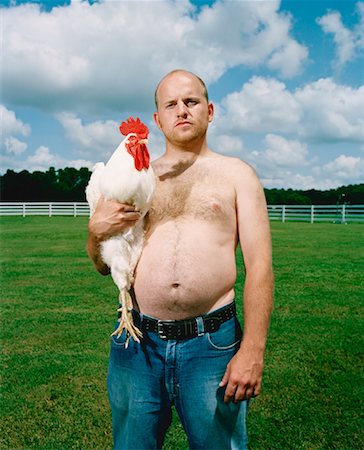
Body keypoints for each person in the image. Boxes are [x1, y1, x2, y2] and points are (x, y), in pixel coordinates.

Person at [86, 69, 274, 450]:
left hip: (212, 346)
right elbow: (104, 264)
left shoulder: (237, 175)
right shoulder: (139, 178)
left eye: (191, 101)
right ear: (157, 120)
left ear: (210, 110)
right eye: (171, 104)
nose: (182, 110)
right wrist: (94, 235)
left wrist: (252, 350)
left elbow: (260, 269)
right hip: (137, 344)